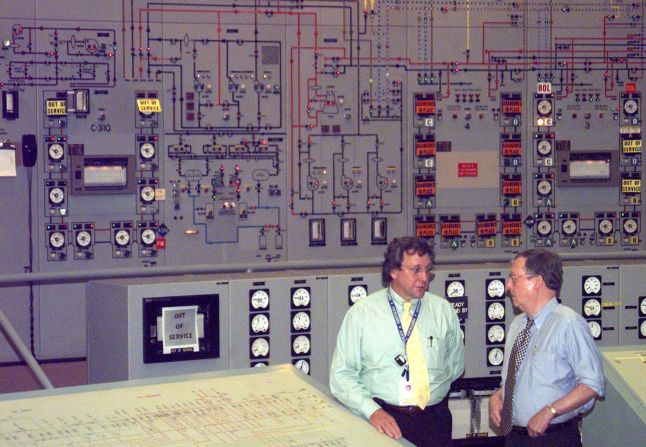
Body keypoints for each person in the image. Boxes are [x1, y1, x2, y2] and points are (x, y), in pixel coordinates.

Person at [330, 237, 464, 447]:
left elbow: (455, 365)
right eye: (415, 270)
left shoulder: (443, 310)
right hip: (384, 420)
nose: (424, 278)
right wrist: (372, 410)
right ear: (393, 270)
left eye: (427, 270)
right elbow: (342, 375)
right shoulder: (363, 314)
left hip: (435, 421)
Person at [488, 248, 605, 447]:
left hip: (552, 438)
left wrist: (550, 411)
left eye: (514, 278)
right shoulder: (517, 325)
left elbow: (592, 384)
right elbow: (522, 379)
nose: (508, 285)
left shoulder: (568, 323)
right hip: (515, 437)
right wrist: (498, 396)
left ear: (536, 282)